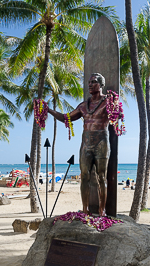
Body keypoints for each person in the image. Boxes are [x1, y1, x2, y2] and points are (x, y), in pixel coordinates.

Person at [48, 73, 112, 216]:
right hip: (86, 143)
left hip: (102, 141)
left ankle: (102, 211)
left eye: (93, 82)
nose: (89, 84)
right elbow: (66, 118)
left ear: (101, 85)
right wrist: (48, 110)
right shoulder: (83, 106)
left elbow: (118, 115)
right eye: (88, 82)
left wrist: (116, 109)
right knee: (84, 176)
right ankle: (85, 209)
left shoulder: (108, 102)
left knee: (102, 177)